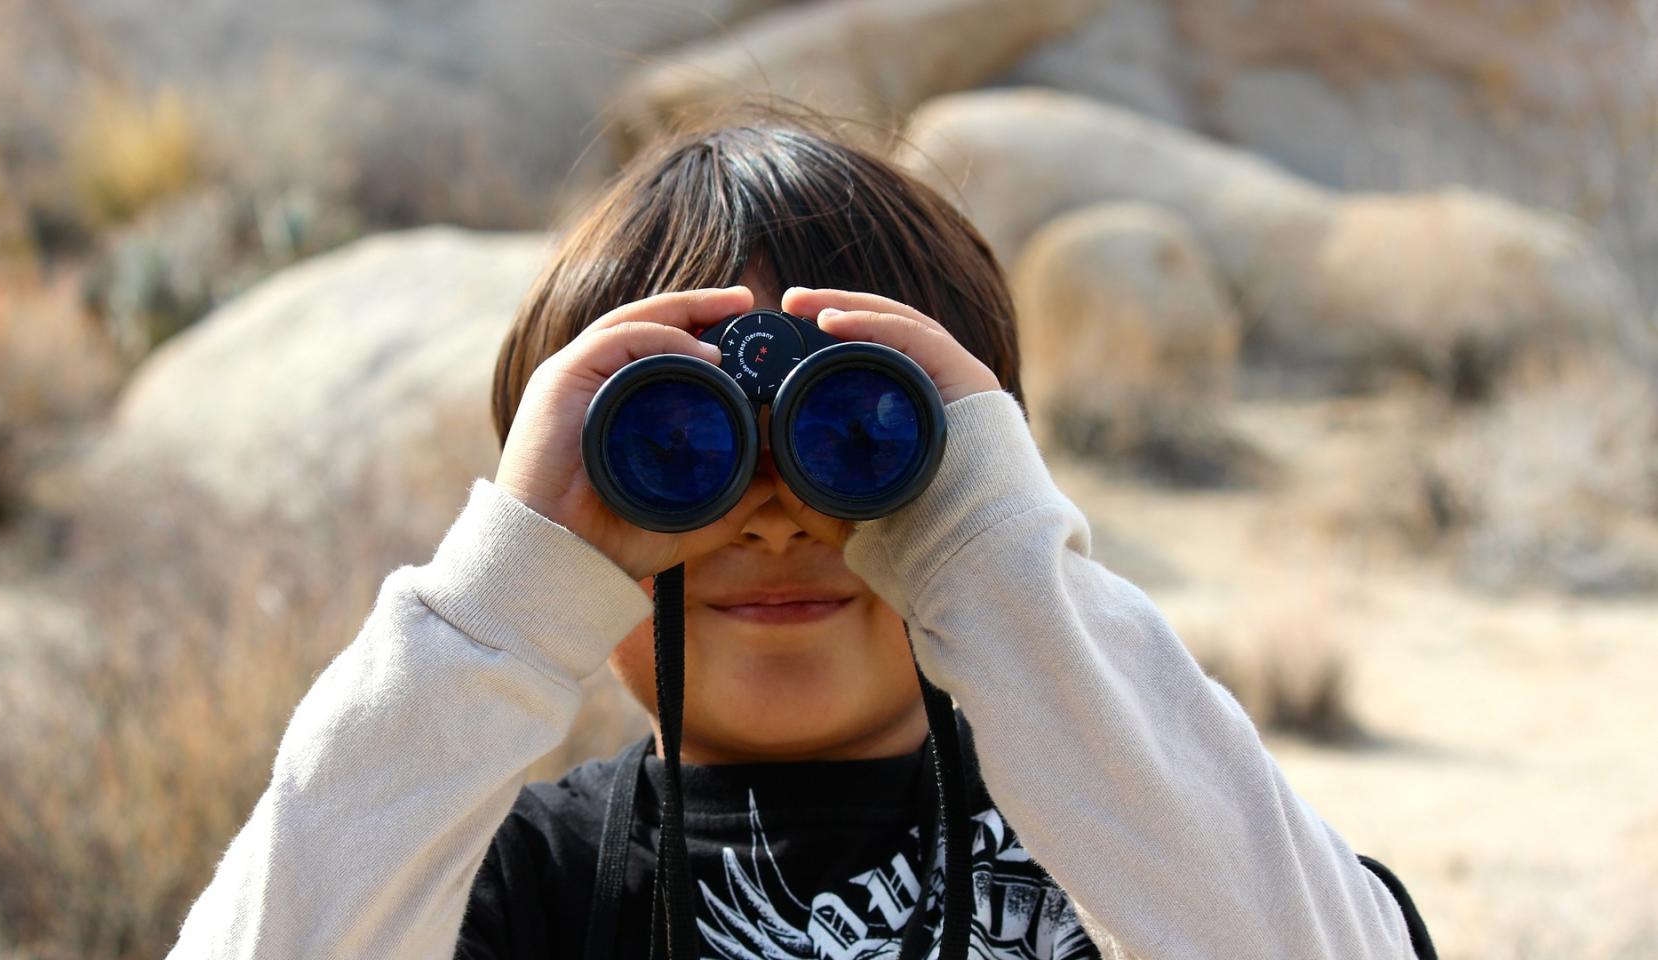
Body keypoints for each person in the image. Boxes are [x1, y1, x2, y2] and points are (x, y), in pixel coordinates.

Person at [166, 121, 1435, 960]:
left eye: (865, 436)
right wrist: (496, 609)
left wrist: (1003, 575)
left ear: (980, 463)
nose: (775, 513)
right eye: (673, 450)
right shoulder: (510, 884)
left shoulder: (1135, 823)